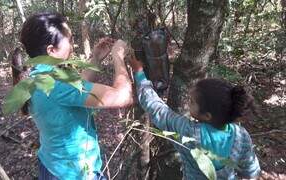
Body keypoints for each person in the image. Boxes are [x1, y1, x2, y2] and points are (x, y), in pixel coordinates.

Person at [19, 12, 133, 180]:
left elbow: (75, 90)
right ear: (51, 50)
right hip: (75, 174)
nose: (73, 45)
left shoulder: (39, 76)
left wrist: (95, 59)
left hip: (52, 165)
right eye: (70, 39)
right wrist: (118, 57)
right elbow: (123, 97)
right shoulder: (57, 84)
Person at [129, 57, 261, 179]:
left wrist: (139, 73)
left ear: (207, 115)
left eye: (192, 102)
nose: (188, 103)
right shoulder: (241, 136)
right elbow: (251, 171)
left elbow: (158, 110)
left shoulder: (189, 134)